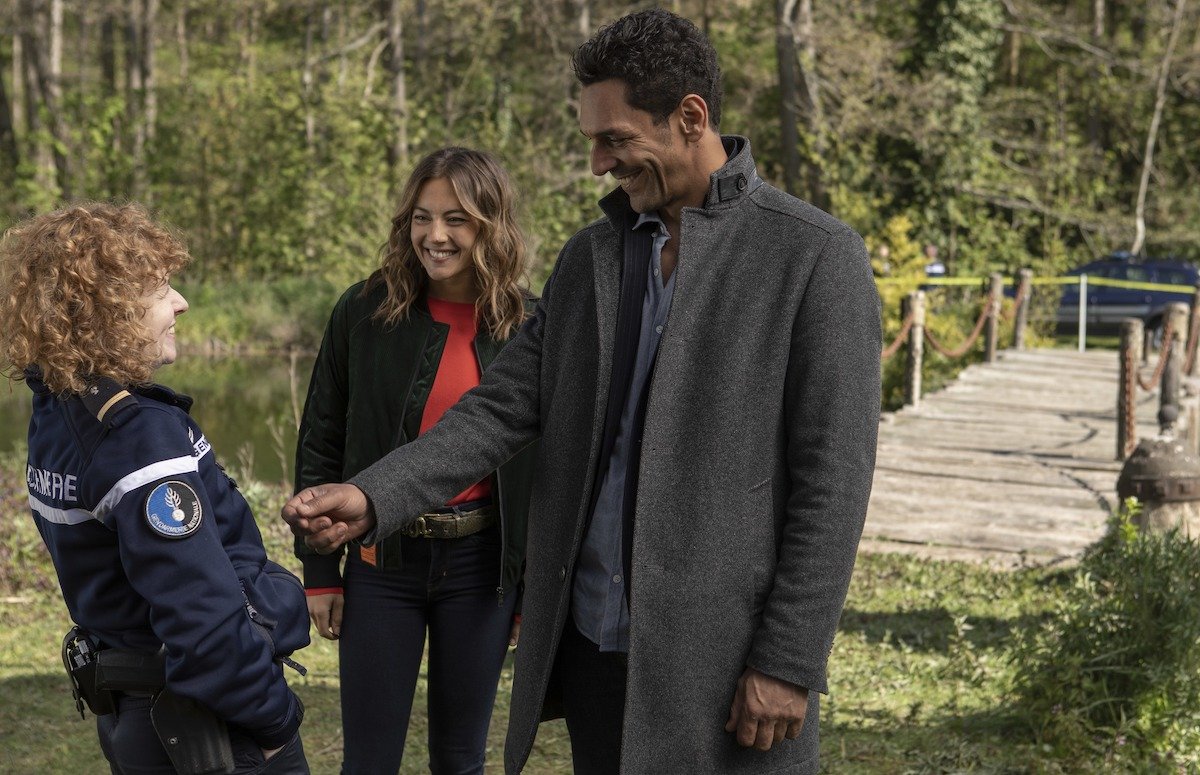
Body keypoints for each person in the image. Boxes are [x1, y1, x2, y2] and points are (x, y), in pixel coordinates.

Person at [284, 9, 881, 775]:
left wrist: (789, 658)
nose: (598, 163)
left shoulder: (815, 256)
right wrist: (372, 496)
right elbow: (498, 409)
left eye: (614, 139)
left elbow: (834, 481)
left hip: (727, 663)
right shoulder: (591, 258)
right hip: (596, 644)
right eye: (592, 140)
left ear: (690, 117)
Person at [0, 202, 310, 774]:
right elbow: (203, 618)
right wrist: (275, 722)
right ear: (109, 311)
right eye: (162, 290)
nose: (181, 303)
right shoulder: (138, 437)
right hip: (201, 723)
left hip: (134, 712)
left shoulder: (59, 412)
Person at [293, 146, 536, 774]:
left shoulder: (527, 325)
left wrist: (524, 584)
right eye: (422, 217)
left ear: (491, 224)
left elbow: (543, 473)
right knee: (368, 763)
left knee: (460, 760)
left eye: (456, 219)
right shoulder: (363, 312)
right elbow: (321, 439)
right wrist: (320, 571)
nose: (435, 235)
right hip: (382, 562)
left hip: (482, 567)